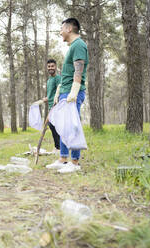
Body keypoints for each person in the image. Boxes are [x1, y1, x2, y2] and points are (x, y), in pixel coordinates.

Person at [46, 18, 89, 173]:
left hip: (72, 93)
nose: (60, 32)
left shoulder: (79, 45)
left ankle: (75, 162)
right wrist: (60, 91)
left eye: (61, 28)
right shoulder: (72, 47)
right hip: (65, 91)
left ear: (69, 28)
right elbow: (69, 72)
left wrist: (74, 91)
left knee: (72, 126)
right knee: (64, 127)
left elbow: (78, 70)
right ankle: (63, 159)